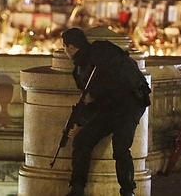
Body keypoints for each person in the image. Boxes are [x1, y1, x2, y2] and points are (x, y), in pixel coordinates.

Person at [62, 28, 150, 196]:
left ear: (71, 47)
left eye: (65, 47)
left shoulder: (101, 52)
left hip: (129, 104)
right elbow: (93, 102)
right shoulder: (80, 69)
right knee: (82, 141)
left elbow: (118, 81)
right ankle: (77, 188)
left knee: (121, 147)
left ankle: (128, 191)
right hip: (110, 107)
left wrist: (95, 95)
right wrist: (79, 120)